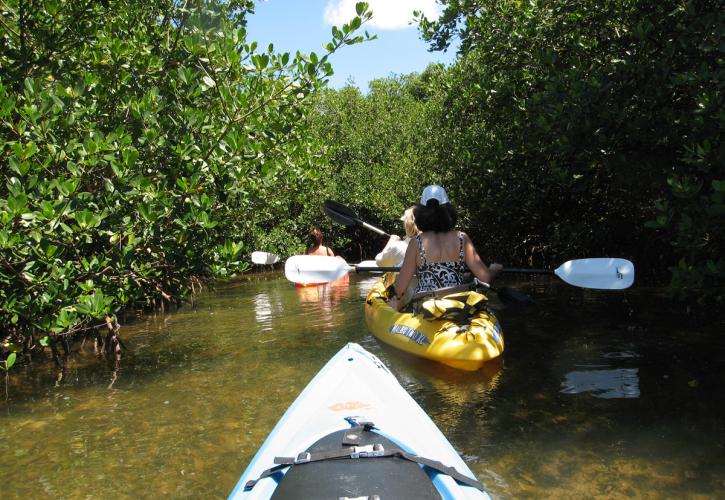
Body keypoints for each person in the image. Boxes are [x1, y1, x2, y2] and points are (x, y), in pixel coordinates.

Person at [385, 185, 503, 310]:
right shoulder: (462, 239)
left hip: (426, 309)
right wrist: (494, 270)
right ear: (448, 210)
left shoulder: (417, 242)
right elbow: (485, 278)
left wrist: (388, 296)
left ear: (421, 212)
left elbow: (400, 288)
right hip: (457, 307)